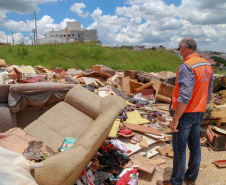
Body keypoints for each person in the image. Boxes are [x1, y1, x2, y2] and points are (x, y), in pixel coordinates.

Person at [157, 37, 214, 185]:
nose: (179, 52)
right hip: (199, 112)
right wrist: (202, 106)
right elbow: (209, 91)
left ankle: (176, 182)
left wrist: (176, 119)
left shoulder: (187, 66)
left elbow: (185, 95)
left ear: (184, 48)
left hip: (186, 113)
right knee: (195, 147)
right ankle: (190, 178)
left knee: (180, 150)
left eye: (178, 49)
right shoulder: (206, 65)